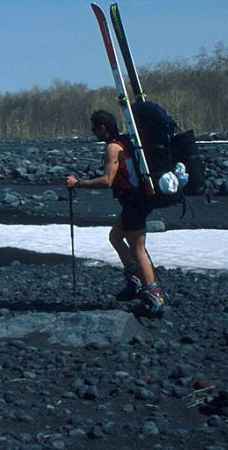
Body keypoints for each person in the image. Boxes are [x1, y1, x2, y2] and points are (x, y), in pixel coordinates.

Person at [65, 110, 167, 318]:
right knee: (115, 237)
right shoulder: (124, 142)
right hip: (136, 199)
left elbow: (107, 180)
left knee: (138, 249)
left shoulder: (113, 147)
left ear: (103, 128)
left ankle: (155, 297)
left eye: (94, 128)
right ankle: (136, 281)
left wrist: (79, 183)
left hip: (135, 201)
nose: (93, 132)